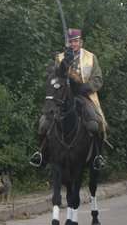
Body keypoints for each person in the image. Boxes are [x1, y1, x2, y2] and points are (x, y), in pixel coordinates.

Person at [31, 28, 107, 169]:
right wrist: (65, 62)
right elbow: (55, 76)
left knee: (96, 123)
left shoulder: (91, 57)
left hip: (84, 95)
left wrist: (86, 87)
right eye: (71, 42)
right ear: (68, 43)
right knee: (44, 123)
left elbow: (98, 79)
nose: (73, 44)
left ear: (81, 42)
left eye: (76, 41)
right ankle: (40, 153)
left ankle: (98, 156)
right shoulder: (60, 58)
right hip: (62, 96)